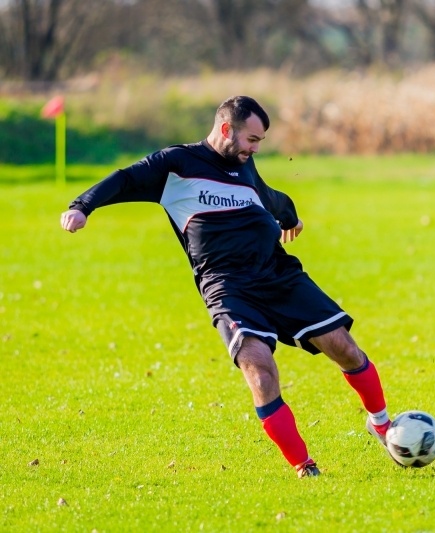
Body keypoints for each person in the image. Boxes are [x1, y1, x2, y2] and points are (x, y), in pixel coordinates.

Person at [61, 95, 394, 479]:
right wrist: (82, 207)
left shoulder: (245, 165)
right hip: (227, 288)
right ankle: (305, 466)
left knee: (344, 347)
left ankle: (382, 425)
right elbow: (125, 179)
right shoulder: (176, 164)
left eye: (260, 141)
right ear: (225, 129)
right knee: (260, 370)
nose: (256, 149)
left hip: (278, 274)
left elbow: (269, 197)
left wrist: (291, 218)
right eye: (252, 140)